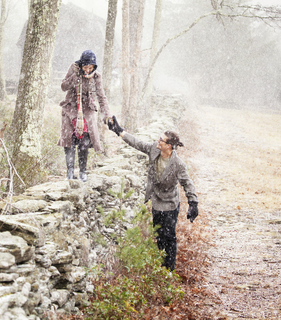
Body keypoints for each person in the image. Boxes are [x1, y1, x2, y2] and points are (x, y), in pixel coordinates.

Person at [107, 116, 199, 271]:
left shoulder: (178, 164)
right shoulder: (153, 150)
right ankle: (161, 266)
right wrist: (119, 131)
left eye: (161, 140)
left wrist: (193, 203)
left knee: (169, 237)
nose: (158, 141)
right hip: (157, 201)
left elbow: (187, 183)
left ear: (169, 146)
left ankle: (169, 270)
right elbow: (137, 143)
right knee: (159, 236)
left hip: (170, 203)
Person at [57, 50, 112, 182]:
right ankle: (70, 171)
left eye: (91, 68)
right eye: (86, 67)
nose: (88, 70)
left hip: (87, 111)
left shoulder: (96, 77)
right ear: (81, 65)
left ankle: (83, 171)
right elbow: (63, 86)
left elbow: (101, 97)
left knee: (84, 142)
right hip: (71, 109)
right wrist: (75, 77)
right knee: (69, 141)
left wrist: (107, 115)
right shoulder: (74, 69)